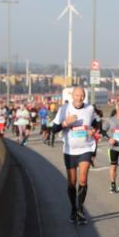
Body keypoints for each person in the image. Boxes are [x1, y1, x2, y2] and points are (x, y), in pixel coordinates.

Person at [51, 86, 98, 224]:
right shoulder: (64, 109)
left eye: (82, 95)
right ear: (72, 96)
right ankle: (73, 208)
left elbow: (96, 123)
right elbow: (54, 129)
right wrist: (66, 123)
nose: (79, 98)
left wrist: (93, 130)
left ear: (84, 97)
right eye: (77, 95)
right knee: (72, 182)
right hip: (70, 150)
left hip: (86, 148)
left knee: (83, 180)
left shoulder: (90, 109)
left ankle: (80, 210)